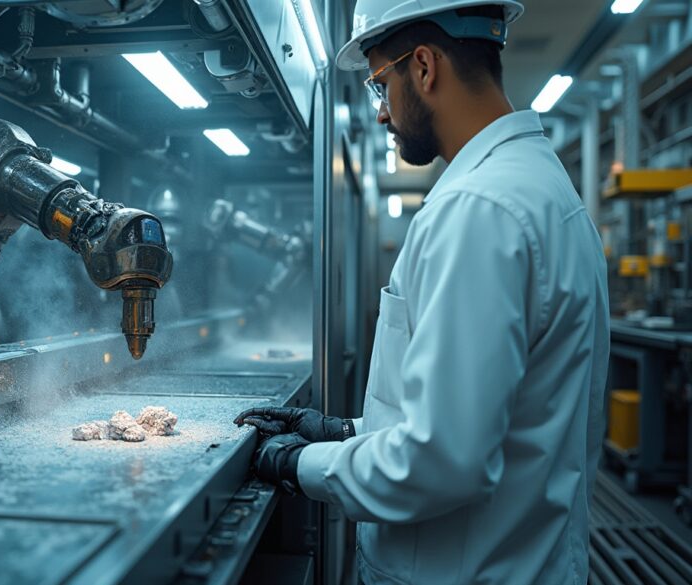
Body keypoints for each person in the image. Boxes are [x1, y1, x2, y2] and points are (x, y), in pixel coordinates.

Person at [234, 1, 610, 583]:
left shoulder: (479, 211)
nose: (381, 114)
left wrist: (296, 462)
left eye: (380, 84)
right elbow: (485, 416)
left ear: (426, 67)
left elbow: (442, 462)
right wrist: (344, 434)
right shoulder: (539, 188)